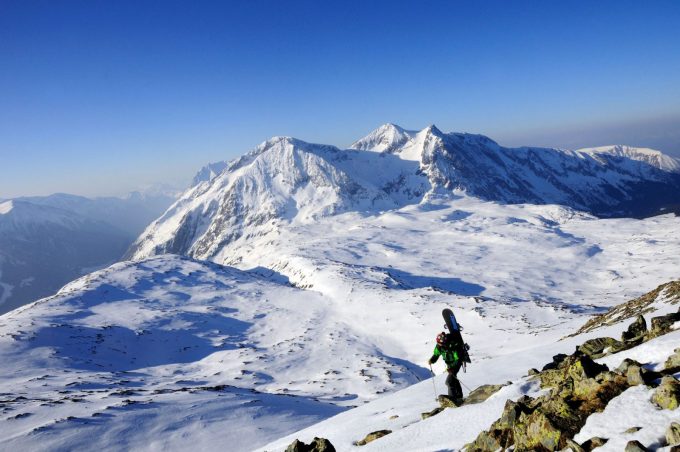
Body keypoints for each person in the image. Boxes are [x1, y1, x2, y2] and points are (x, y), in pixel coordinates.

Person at [428, 331, 463, 403]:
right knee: (454, 379)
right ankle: (459, 397)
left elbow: (458, 358)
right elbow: (436, 354)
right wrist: (432, 360)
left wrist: (452, 367)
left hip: (456, 363)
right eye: (438, 343)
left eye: (440, 343)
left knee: (449, 382)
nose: (439, 345)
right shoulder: (439, 346)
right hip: (449, 365)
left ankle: (453, 399)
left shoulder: (452, 345)